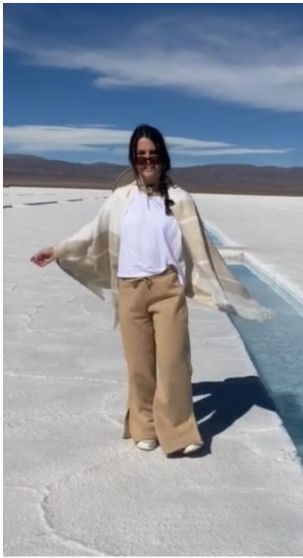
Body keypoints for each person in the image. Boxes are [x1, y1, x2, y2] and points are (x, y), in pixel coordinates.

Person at [30, 124, 271, 456]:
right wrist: (57, 249)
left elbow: (202, 248)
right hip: (130, 290)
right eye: (141, 155)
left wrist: (228, 293)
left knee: (174, 362)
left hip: (167, 289)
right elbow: (92, 232)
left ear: (163, 158)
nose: (147, 161)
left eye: (153, 155)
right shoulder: (120, 199)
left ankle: (178, 431)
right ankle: (144, 426)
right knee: (140, 365)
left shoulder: (181, 200)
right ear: (133, 158)